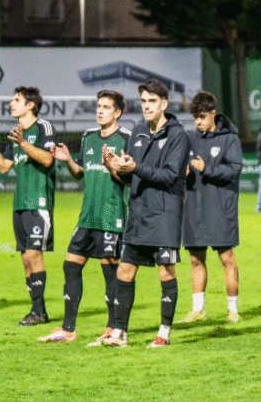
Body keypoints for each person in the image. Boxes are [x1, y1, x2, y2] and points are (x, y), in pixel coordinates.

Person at [103, 79, 192, 348]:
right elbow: (131, 178)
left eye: (152, 101)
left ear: (164, 104)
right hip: (139, 213)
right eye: (143, 101)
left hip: (165, 214)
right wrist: (113, 168)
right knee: (125, 271)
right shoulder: (138, 133)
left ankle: (163, 333)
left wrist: (134, 168)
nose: (146, 106)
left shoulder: (178, 136)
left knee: (166, 272)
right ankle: (120, 333)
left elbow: (170, 176)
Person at [38, 91, 130, 344]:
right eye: (98, 106)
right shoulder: (88, 138)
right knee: (71, 266)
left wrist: (113, 166)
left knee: (110, 272)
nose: (100, 111)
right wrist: (68, 160)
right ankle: (68, 330)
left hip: (111, 217)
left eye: (106, 107)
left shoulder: (126, 139)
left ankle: (112, 328)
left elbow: (130, 178)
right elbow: (80, 173)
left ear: (117, 113)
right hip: (87, 216)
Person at [0, 86, 56, 326]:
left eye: (16, 100)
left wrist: (24, 143)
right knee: (26, 260)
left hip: (39, 202)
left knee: (34, 254)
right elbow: (3, 167)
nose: (11, 103)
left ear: (31, 105)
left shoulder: (43, 128)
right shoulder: (17, 133)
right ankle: (37, 311)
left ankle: (38, 312)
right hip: (19, 204)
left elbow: (48, 159)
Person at [177, 91, 244, 324]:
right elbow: (180, 168)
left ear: (213, 114)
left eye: (203, 117)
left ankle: (233, 310)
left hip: (220, 208)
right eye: (195, 117)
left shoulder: (230, 139)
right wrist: (183, 172)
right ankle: (199, 310)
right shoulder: (190, 139)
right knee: (196, 260)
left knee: (227, 259)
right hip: (193, 207)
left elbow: (234, 169)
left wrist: (207, 169)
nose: (198, 122)